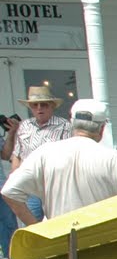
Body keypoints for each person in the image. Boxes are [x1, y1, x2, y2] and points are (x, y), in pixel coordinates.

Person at [2, 99, 117, 227]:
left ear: (72, 123)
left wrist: (37, 229)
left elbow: (9, 191)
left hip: (60, 243)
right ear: (102, 128)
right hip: (103, 245)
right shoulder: (116, 159)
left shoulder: (45, 153)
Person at [9, 84, 73, 231]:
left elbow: (69, 154)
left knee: (60, 225)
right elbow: (17, 155)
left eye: (43, 104)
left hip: (55, 185)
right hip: (31, 186)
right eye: (34, 105)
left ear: (52, 106)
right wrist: (14, 179)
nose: (39, 108)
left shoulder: (64, 126)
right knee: (34, 227)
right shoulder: (24, 126)